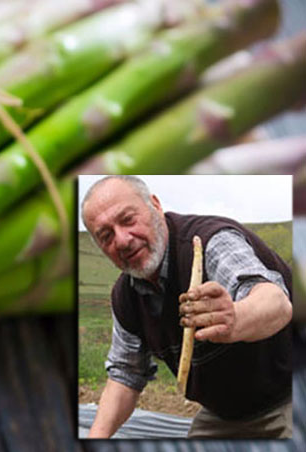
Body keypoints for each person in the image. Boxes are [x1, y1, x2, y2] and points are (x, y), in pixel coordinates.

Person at [81, 175, 292, 439]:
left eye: (128, 220)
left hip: (287, 397)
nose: (122, 240)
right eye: (106, 235)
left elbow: (276, 302)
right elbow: (126, 373)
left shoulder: (208, 242)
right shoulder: (126, 297)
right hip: (223, 414)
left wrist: (235, 318)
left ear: (155, 205)